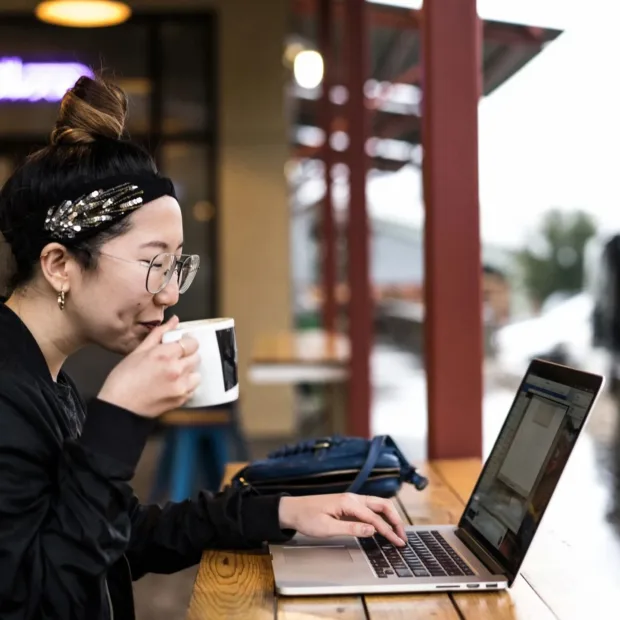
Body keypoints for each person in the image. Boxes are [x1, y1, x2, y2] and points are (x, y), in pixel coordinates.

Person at [0, 76, 406, 620]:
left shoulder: (47, 380)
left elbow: (115, 539)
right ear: (59, 265)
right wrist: (117, 418)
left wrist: (282, 512)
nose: (169, 294)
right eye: (153, 264)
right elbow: (43, 599)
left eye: (175, 266)